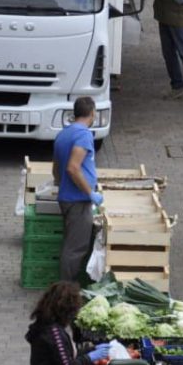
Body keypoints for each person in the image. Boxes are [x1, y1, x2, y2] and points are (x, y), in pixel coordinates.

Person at [52, 97, 101, 282]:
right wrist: (90, 193)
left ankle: (65, 288)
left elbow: (56, 169)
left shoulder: (63, 134)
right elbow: (73, 167)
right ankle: (65, 290)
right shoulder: (83, 135)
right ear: (92, 113)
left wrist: (60, 185)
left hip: (66, 197)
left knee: (71, 244)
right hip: (78, 200)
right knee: (75, 248)